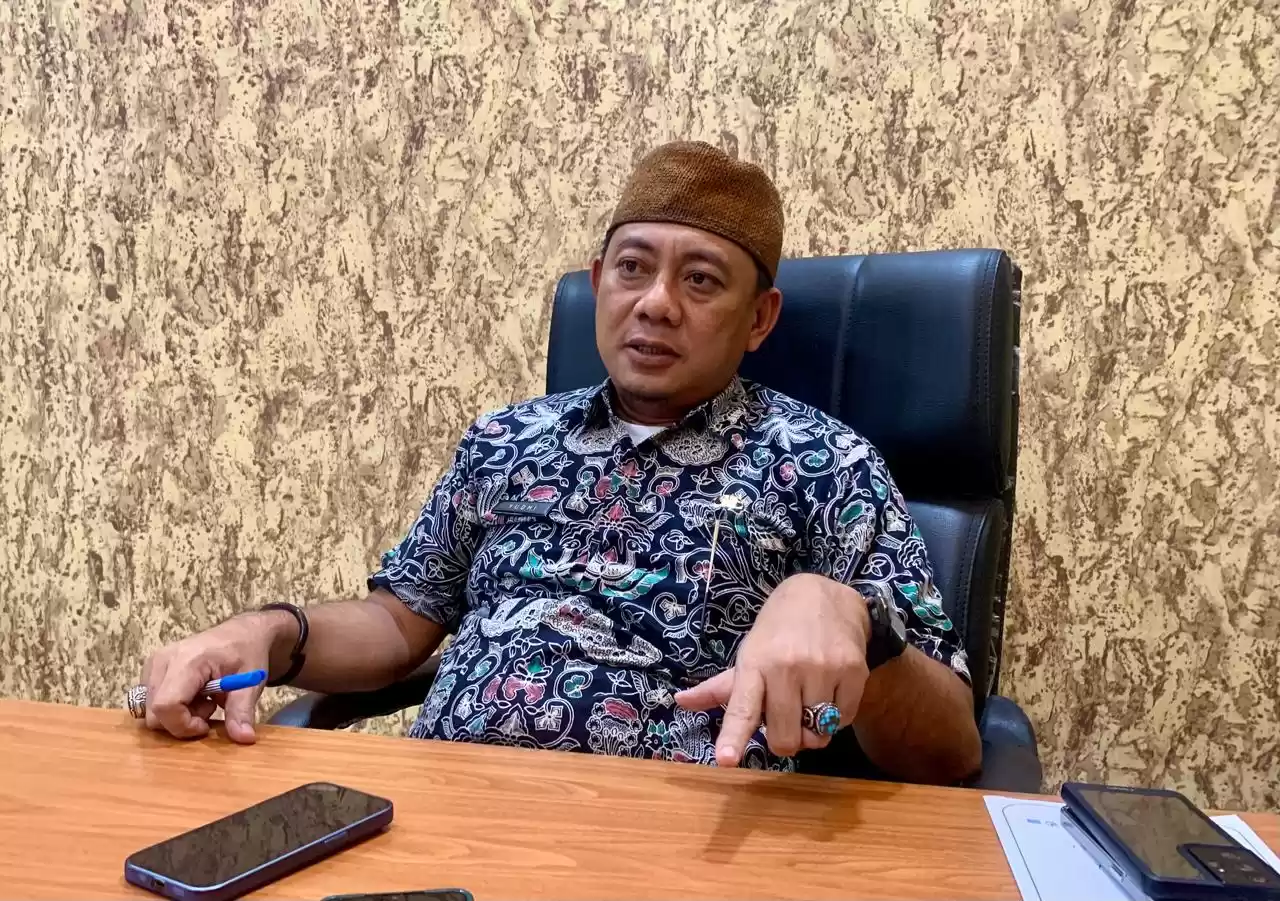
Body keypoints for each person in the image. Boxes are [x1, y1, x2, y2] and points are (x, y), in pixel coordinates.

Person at [139, 141, 983, 783]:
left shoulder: (826, 462)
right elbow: (399, 624)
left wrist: (858, 621)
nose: (656, 303)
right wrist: (266, 631)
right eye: (633, 268)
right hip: (443, 808)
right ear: (599, 280)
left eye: (700, 281)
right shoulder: (505, 440)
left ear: (759, 318)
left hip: (673, 839)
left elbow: (953, 746)